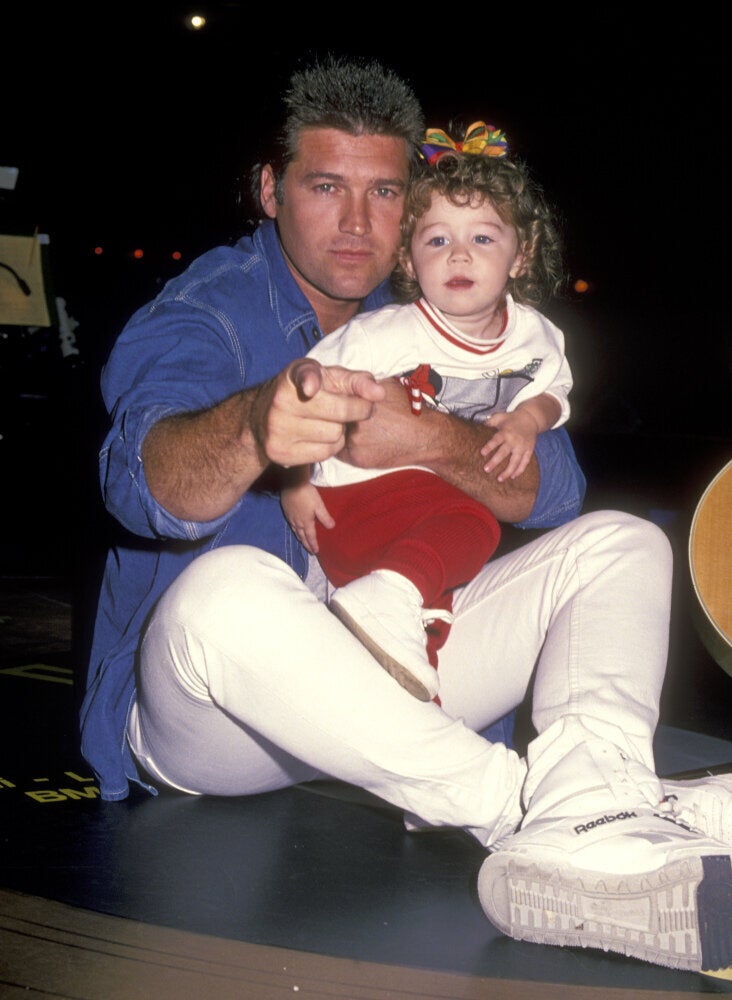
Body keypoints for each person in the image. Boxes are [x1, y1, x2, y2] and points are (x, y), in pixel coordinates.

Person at [79, 54, 732, 976]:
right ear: (269, 189)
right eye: (324, 186)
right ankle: (546, 814)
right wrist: (256, 427)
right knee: (224, 587)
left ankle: (602, 791)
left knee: (620, 542)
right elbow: (144, 484)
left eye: (385, 192)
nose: (357, 223)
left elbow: (554, 490)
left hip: (401, 676)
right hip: (223, 712)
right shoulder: (205, 313)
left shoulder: (441, 302)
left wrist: (426, 438)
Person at [281, 122, 572, 703]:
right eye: (437, 241)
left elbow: (553, 390)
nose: (459, 254)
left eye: (484, 240)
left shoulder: (536, 336)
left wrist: (527, 421)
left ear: (523, 254)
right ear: (410, 261)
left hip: (419, 513)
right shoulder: (383, 335)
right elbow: (298, 397)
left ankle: (414, 695)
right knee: (476, 524)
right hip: (349, 501)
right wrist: (293, 482)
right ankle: (383, 598)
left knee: (431, 612)